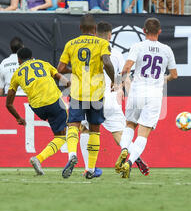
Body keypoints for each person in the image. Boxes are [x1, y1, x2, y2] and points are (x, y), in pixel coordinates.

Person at [79, 21, 150, 177]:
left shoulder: (90, 50)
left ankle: (88, 168)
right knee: (119, 134)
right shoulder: (117, 54)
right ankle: (134, 157)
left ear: (96, 34)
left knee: (85, 129)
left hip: (92, 97)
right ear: (110, 35)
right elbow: (125, 77)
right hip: (111, 100)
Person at [115, 18, 178, 179]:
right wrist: (164, 79)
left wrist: (119, 83)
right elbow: (174, 75)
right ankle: (129, 162)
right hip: (155, 94)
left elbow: (127, 68)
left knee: (129, 125)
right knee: (143, 133)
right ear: (159, 32)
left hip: (137, 91)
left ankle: (124, 149)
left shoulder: (138, 46)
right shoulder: (166, 49)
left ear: (144, 31)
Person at [57, 14, 115, 179]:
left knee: (74, 125)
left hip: (77, 91)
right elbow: (107, 62)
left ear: (80, 29)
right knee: (95, 130)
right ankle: (90, 169)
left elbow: (60, 68)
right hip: (96, 92)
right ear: (95, 30)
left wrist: (73, 70)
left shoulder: (71, 44)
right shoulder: (103, 43)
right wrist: (113, 79)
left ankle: (71, 155)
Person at [6, 47, 71, 176]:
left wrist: (19, 118)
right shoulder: (43, 64)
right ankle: (40, 158)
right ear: (32, 57)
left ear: (19, 60)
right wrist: (69, 85)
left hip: (38, 108)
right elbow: (61, 78)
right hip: (54, 102)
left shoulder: (16, 74)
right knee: (65, 134)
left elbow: (8, 104)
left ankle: (39, 159)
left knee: (62, 131)